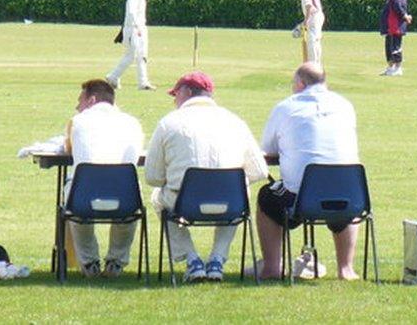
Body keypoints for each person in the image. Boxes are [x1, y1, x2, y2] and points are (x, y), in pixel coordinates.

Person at [145, 72, 268, 282]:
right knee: (241, 193)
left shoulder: (168, 123)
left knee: (158, 198)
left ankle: (191, 259)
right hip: (229, 202)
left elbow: (153, 177)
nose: (174, 100)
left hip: (184, 202)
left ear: (187, 92)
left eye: (176, 94)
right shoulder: (235, 121)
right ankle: (217, 259)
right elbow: (260, 171)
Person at [256, 63, 361, 280]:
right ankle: (346, 268)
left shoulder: (285, 107)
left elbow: (267, 150)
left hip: (300, 198)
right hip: (349, 194)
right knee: (346, 198)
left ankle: (272, 266)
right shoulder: (345, 105)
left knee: (266, 197)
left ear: (300, 83)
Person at [63, 79, 144, 278]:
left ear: (91, 100)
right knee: (130, 197)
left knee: (73, 194)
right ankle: (116, 261)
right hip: (125, 198)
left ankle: (89, 262)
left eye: (80, 100)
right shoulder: (133, 123)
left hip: (85, 197)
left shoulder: (77, 121)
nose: (77, 106)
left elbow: (68, 149)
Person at [107, 0, 156, 90]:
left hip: (139, 28)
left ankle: (143, 82)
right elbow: (131, 12)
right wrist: (137, 27)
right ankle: (113, 76)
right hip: (134, 29)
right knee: (131, 56)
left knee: (142, 55)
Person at [379, 0, 412, 76]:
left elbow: (399, 8)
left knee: (395, 48)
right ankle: (390, 68)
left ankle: (397, 68)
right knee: (389, 47)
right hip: (391, 27)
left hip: (395, 27)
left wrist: (405, 16)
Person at [290, 0, 325, 64]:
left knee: (311, 40)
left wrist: (306, 21)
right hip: (318, 16)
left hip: (314, 17)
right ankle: (317, 63)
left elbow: (309, 6)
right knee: (316, 40)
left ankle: (313, 63)